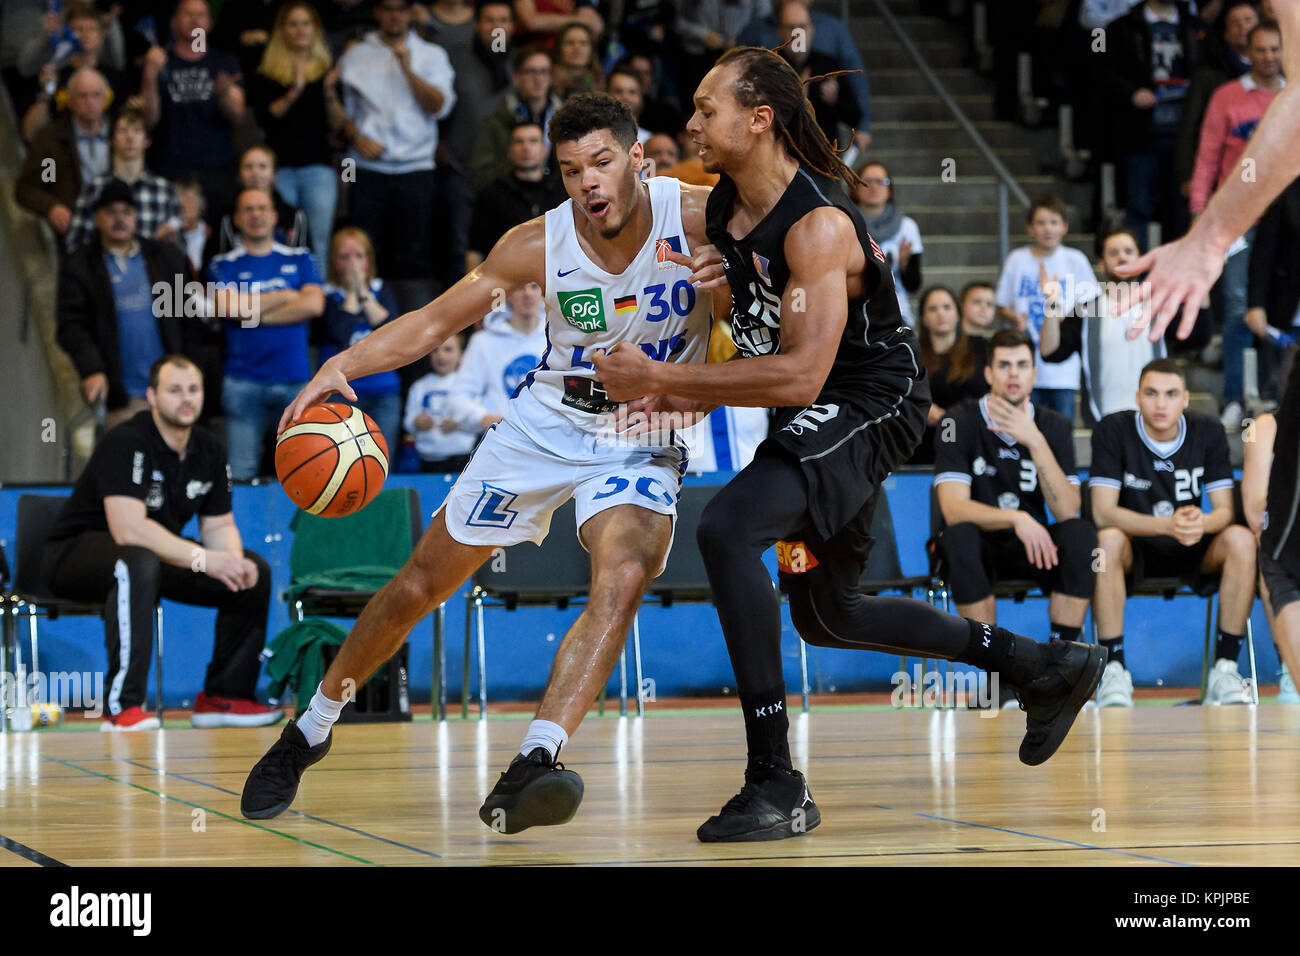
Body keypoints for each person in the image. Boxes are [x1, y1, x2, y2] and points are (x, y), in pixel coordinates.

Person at [590, 48, 1106, 843]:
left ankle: (776, 779)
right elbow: (635, 220)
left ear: (759, 119)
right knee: (829, 615)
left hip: (873, 400)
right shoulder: (715, 209)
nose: (687, 122)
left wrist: (663, 377)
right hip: (817, 414)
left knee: (727, 530)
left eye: (704, 107)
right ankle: (1044, 667)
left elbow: (799, 375)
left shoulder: (820, 225)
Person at [240, 94, 716, 832]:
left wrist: (702, 391)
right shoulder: (536, 243)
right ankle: (311, 726)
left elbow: (789, 259)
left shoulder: (701, 216)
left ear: (637, 161)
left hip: (640, 431)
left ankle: (534, 763)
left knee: (624, 575)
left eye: (601, 162)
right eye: (570, 170)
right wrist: (342, 363)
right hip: (546, 421)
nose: (588, 182)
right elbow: (435, 322)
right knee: (421, 584)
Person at [40, 355, 283, 731]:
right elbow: (129, 531)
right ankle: (123, 707)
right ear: (152, 396)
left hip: (153, 559)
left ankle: (225, 695)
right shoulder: (127, 440)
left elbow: (218, 525)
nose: (186, 399)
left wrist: (228, 562)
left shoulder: (209, 449)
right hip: (75, 556)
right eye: (174, 390)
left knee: (253, 572)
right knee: (136, 560)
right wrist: (205, 558)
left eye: (193, 389)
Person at [933, 330, 1095, 706]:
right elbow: (953, 507)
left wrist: (1035, 441)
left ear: (1034, 375)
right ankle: (996, 677)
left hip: (1038, 550)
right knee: (958, 535)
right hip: (983, 548)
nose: (1013, 374)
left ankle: (1060, 668)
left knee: (1082, 535)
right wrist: (1016, 518)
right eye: (1004, 365)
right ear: (988, 373)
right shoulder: (957, 422)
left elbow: (1068, 510)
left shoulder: (1055, 425)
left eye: (1022, 365)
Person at [1090, 359, 1255, 706]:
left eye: (1170, 394)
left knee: (1241, 539)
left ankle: (1225, 669)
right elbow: (1102, 512)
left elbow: (1224, 511)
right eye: (1151, 393)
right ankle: (1114, 670)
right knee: (1104, 543)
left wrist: (1200, 523)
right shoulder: (1112, 429)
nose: (1160, 403)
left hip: (1192, 545)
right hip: (1136, 547)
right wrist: (1166, 524)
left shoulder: (1207, 430)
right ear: (1137, 396)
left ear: (1185, 399)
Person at [1190, 19, 1285, 427]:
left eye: (1275, 50)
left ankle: (1275, 395)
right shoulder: (1227, 96)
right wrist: (1198, 213)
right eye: (1260, 50)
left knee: (1282, 310)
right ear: (1247, 51)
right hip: (1237, 221)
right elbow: (1208, 155)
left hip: (1287, 223)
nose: (1267, 58)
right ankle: (1234, 397)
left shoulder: (1294, 97)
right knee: (1236, 307)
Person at [57, 179, 201, 428]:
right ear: (96, 219)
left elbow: (189, 317)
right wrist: (91, 369)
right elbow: (71, 326)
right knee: (128, 464)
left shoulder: (164, 257)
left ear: (136, 217)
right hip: (122, 395)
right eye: (110, 212)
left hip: (173, 392)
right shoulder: (80, 267)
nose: (119, 219)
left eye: (126, 212)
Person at [336, 0, 456, 286]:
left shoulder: (431, 54)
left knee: (413, 255)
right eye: (387, 8)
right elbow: (344, 112)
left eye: (401, 8)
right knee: (365, 252)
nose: (394, 15)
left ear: (411, 13)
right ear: (377, 12)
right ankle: (365, 320)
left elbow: (439, 107)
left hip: (416, 168)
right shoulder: (356, 54)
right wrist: (355, 136)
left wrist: (408, 70)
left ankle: (410, 325)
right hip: (366, 168)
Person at [207, 188, 325, 479]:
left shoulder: (300, 257)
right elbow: (228, 307)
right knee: (241, 473)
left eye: (262, 208)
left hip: (294, 382)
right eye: (248, 209)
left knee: (301, 471)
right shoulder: (222, 264)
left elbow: (313, 304)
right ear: (236, 218)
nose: (255, 215)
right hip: (243, 382)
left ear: (274, 216)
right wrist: (286, 295)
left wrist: (251, 310)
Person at [1098, 0, 1205, 248]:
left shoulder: (1197, 27)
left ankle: (1181, 279)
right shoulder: (1118, 28)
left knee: (1184, 210)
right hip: (1141, 136)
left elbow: (1212, 71)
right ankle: (1137, 278)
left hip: (1187, 140)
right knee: (1139, 208)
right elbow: (1102, 71)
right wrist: (1131, 93)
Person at [246, 1, 345, 267]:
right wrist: (295, 91)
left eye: (306, 23)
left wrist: (328, 91)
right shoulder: (267, 73)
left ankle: (319, 302)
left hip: (319, 167)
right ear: (282, 30)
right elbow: (265, 119)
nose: (300, 30)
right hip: (280, 169)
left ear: (315, 29)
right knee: (280, 237)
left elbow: (338, 124)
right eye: (293, 23)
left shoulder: (328, 71)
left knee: (319, 240)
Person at [1040, 228, 1167, 424]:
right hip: (1104, 422)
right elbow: (1050, 352)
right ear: (1101, 263)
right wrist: (1051, 303)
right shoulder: (1085, 311)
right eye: (1113, 253)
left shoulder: (1159, 305)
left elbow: (1198, 337)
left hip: (1156, 420)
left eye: (1128, 251)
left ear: (1141, 259)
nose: (1122, 257)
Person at [139, 0, 247, 225]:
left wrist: (224, 94)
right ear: (174, 21)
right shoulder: (158, 61)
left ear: (209, 23)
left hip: (217, 169)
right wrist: (149, 74)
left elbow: (238, 116)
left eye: (201, 15)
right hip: (170, 168)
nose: (195, 20)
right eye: (188, 14)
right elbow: (148, 120)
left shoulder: (224, 62)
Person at [994, 194, 1099, 421]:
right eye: (1041, 223)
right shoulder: (1017, 259)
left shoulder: (1075, 260)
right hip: (1022, 365)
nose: (1047, 229)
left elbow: (1093, 304)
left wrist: (1068, 319)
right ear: (1030, 228)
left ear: (1064, 227)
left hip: (1063, 369)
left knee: (1060, 431)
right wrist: (1013, 317)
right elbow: (1001, 304)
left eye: (1053, 222)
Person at [320, 227, 404, 452]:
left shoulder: (382, 289)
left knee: (381, 456)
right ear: (334, 262)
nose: (353, 264)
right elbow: (339, 334)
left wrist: (363, 292)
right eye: (344, 257)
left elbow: (391, 332)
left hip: (383, 390)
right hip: (342, 392)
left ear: (369, 259)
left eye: (359, 256)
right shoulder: (327, 295)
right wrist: (351, 292)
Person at [1241, 406, 1300, 702]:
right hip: (1285, 536)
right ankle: (1292, 667)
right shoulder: (1265, 426)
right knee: (1268, 545)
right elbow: (1254, 511)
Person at [64, 107, 182, 254]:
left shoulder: (164, 190)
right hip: (105, 272)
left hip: (153, 273)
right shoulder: (95, 188)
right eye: (123, 130)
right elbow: (74, 245)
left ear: (147, 141)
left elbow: (180, 251)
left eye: (137, 130)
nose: (130, 137)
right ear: (111, 140)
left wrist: (170, 241)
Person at [14, 68, 112, 240]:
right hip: (72, 231)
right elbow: (35, 187)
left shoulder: (120, 134)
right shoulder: (52, 142)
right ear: (69, 101)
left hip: (114, 226)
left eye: (96, 95)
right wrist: (52, 206)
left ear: (105, 99)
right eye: (82, 96)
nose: (90, 102)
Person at [465, 121, 566, 270]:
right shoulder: (491, 194)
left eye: (533, 141)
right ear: (510, 150)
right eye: (519, 142)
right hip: (506, 280)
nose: (526, 147)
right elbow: (475, 250)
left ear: (545, 149)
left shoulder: (563, 191)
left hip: (556, 275)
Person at [910, 285, 989, 466]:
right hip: (923, 440)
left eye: (947, 307)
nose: (941, 314)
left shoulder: (981, 349)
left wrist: (950, 417)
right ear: (924, 318)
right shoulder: (911, 354)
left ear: (958, 314)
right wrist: (921, 408)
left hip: (969, 435)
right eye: (933, 308)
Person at [470, 45, 563, 191]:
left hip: (555, 200)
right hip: (509, 199)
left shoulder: (566, 118)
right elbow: (479, 176)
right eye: (530, 72)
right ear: (516, 78)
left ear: (551, 78)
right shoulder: (496, 120)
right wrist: (515, 163)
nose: (538, 79)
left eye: (544, 72)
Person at [456, 281, 548, 426]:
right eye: (520, 287)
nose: (528, 293)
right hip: (502, 439)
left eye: (534, 287)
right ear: (508, 294)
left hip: (549, 437)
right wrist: (483, 417)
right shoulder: (483, 342)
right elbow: (459, 396)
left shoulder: (557, 337)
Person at [853, 159, 922, 327]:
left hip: (897, 312)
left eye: (881, 182)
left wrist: (905, 266)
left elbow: (914, 285)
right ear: (854, 188)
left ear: (889, 190)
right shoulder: (847, 224)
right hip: (856, 311)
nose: (874, 187)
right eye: (867, 181)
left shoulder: (907, 227)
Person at [403, 335, 483, 472]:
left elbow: (481, 421)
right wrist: (416, 423)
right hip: (427, 459)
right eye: (435, 350)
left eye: (448, 350)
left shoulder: (469, 385)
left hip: (461, 457)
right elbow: (407, 422)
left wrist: (460, 424)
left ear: (462, 356)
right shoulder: (420, 386)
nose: (440, 355)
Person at [550, 22, 602, 100]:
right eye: (570, 43)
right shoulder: (546, 80)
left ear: (591, 49)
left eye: (583, 43)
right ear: (559, 48)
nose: (577, 48)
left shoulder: (601, 83)